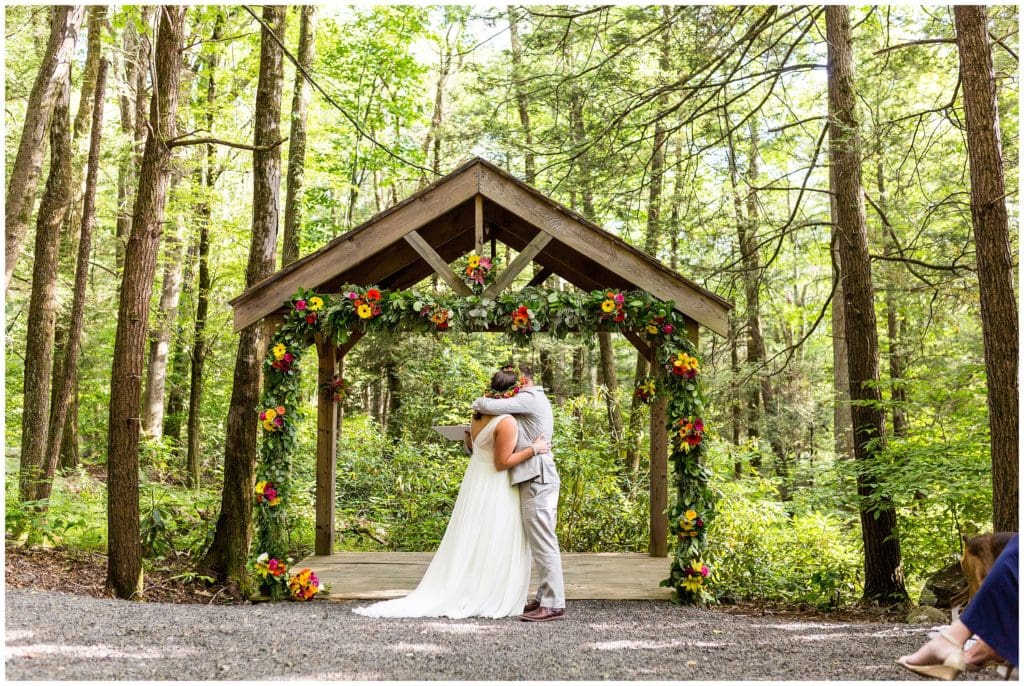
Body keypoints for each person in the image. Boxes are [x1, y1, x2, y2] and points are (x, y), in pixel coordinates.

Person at [352, 369, 549, 619]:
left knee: (472, 536)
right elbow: (502, 462)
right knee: (494, 537)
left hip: (476, 480)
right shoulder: (507, 421)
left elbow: (473, 446)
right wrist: (535, 448)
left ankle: (471, 585)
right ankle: (488, 592)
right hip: (496, 485)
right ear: (511, 394)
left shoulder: (478, 416)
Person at [471, 364, 565, 622]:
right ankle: (544, 597)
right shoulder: (526, 400)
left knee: (544, 541)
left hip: (538, 477)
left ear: (523, 383)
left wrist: (481, 398)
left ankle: (554, 604)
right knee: (539, 540)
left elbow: (489, 407)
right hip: (534, 476)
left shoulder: (530, 396)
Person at [898, 533, 1018, 680]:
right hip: (976, 550)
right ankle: (977, 641)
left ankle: (959, 641)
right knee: (978, 589)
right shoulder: (983, 547)